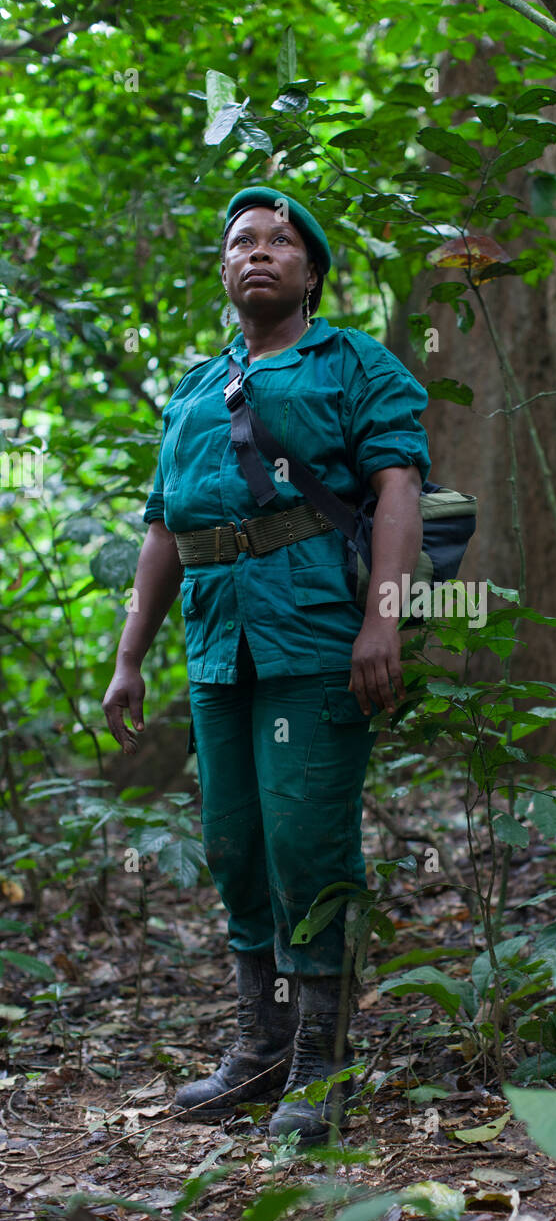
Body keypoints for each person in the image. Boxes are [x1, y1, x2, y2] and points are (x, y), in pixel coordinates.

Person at [102, 187, 430, 1142]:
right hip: (218, 649)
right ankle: (261, 1046)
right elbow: (167, 527)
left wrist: (385, 624)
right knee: (236, 848)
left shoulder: (355, 365)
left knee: (306, 848)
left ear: (311, 273)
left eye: (281, 242)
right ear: (222, 270)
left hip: (318, 639)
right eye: (241, 241)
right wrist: (132, 658)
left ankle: (322, 1066)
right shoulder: (198, 389)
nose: (259, 252)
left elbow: (397, 488)